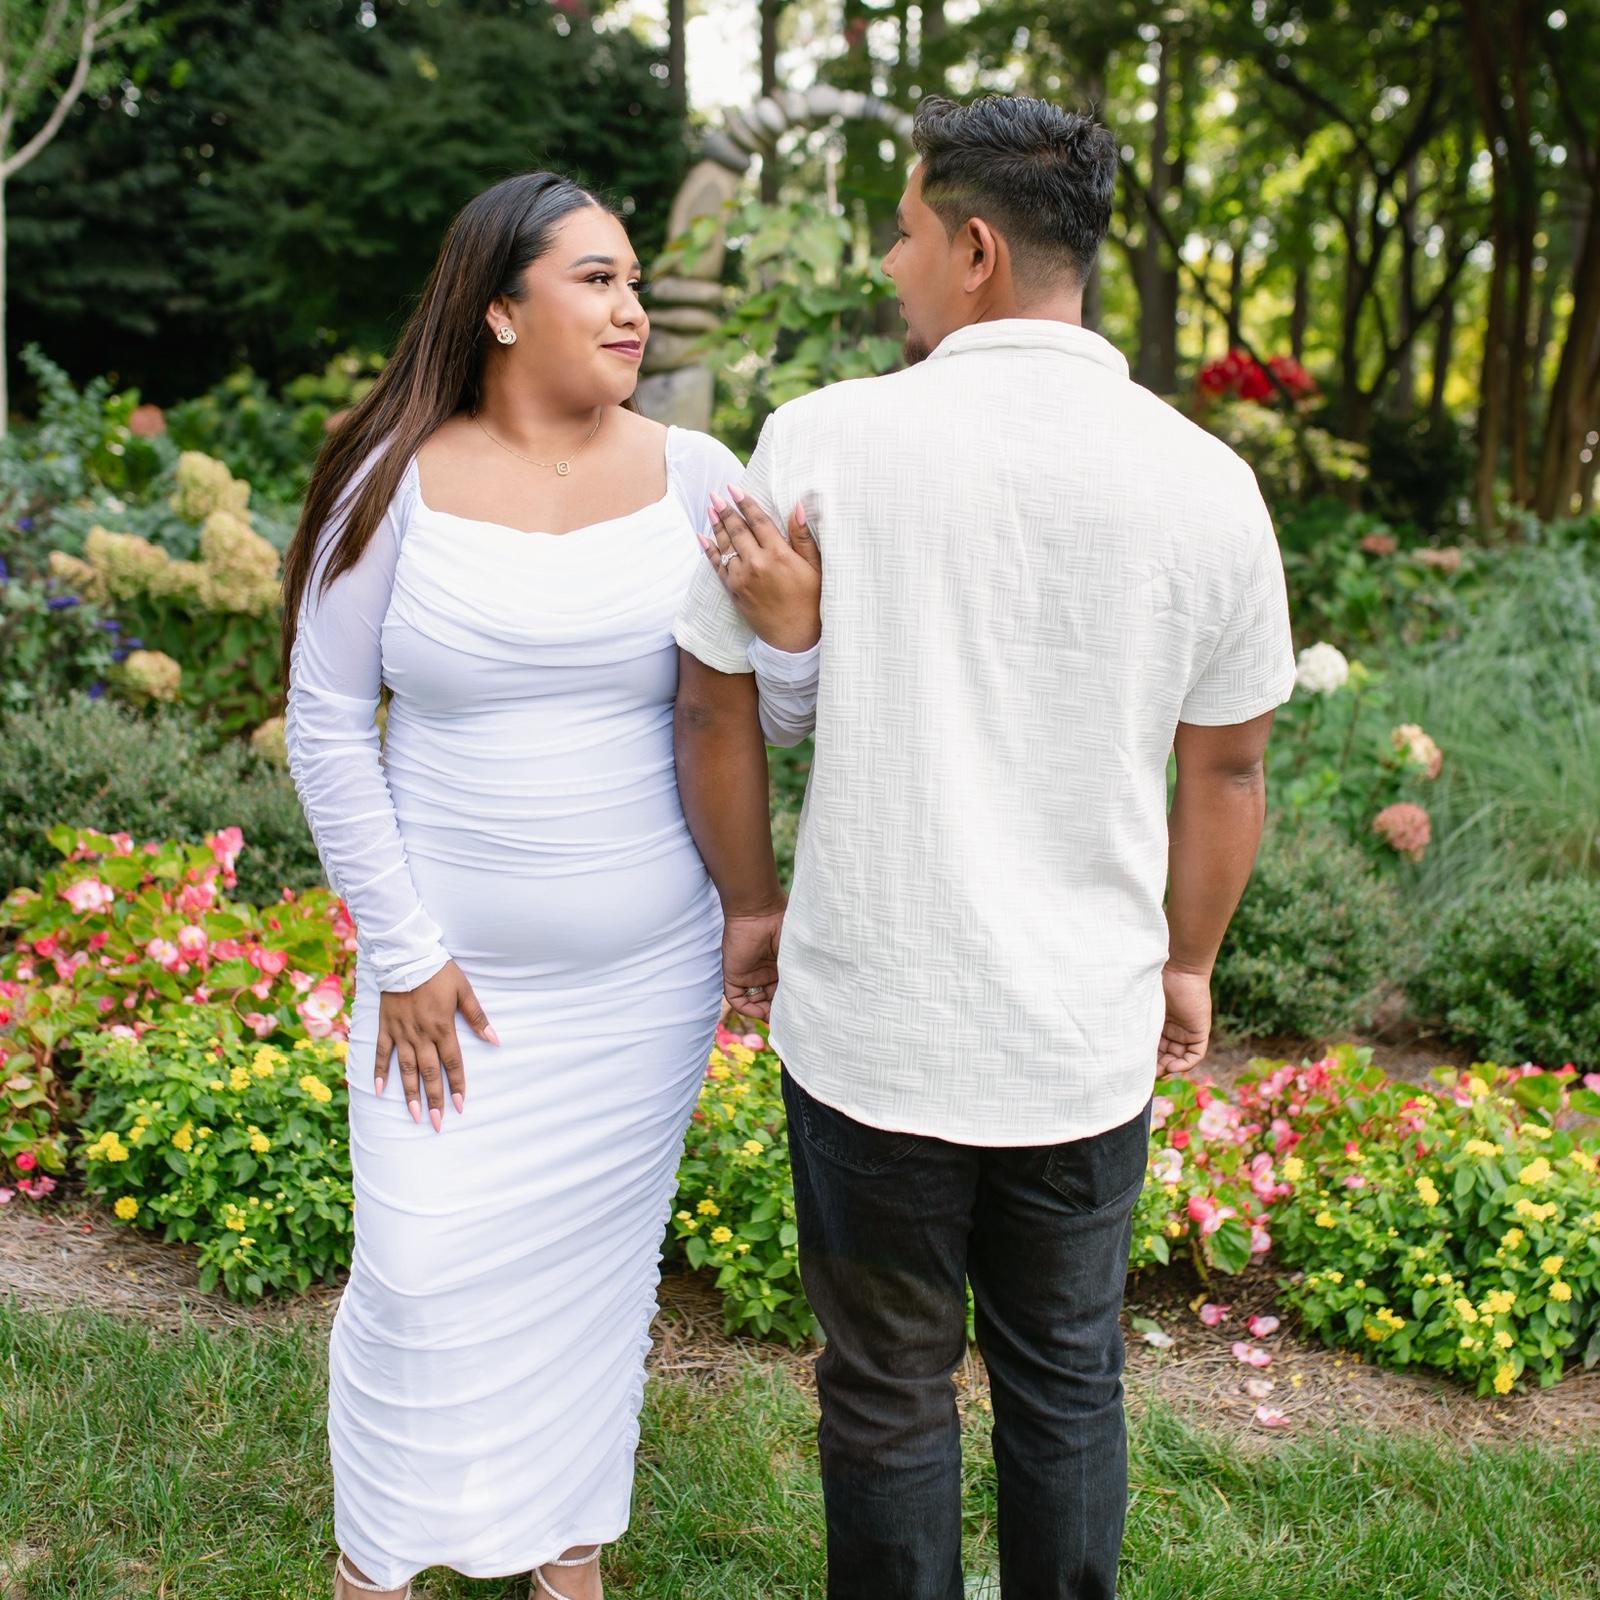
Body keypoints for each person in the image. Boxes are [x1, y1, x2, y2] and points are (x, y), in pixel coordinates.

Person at [672, 95, 1297, 1600]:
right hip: (1078, 1030)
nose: (889, 265)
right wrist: (1189, 961)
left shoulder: (826, 438)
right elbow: (1228, 767)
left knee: (885, 1385)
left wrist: (751, 906)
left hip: (873, 1017)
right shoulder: (1206, 479)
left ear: (972, 249)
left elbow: (712, 704)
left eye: (901, 235)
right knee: (1068, 1377)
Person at [281, 171, 816, 1600]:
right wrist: (402, 955)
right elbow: (325, 723)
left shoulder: (698, 478)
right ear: (501, 310)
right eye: (596, 279)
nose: (631, 307)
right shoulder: (391, 477)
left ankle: (565, 1561)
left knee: (594, 1284)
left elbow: (772, 716)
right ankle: (377, 1565)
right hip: (444, 985)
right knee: (413, 1277)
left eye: (633, 281)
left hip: (640, 985)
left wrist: (795, 633)